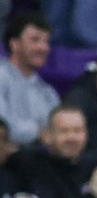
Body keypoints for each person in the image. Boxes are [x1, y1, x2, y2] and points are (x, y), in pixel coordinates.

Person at [0, 14, 58, 143]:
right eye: (35, 40)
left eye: (46, 41)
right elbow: (3, 129)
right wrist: (40, 133)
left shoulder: (47, 91)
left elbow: (58, 129)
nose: (43, 48)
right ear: (14, 44)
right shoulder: (2, 76)